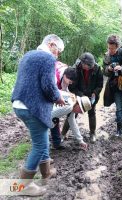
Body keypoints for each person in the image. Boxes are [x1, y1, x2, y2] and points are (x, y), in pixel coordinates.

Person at [11, 34, 66, 196]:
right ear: (51, 44)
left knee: (41, 139)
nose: (58, 54)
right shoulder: (47, 59)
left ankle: (46, 172)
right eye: (58, 50)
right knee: (40, 145)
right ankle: (23, 186)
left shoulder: (28, 55)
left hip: (19, 104)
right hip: (33, 108)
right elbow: (48, 86)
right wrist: (59, 97)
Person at [62, 52, 103, 143]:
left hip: (92, 95)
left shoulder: (97, 68)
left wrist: (95, 93)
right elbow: (72, 87)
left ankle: (92, 133)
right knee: (72, 113)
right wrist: (81, 95)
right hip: (78, 95)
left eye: (92, 65)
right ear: (83, 64)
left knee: (92, 112)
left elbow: (100, 84)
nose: (91, 67)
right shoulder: (75, 69)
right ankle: (63, 134)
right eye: (89, 66)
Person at [50, 66, 90, 150]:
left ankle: (56, 143)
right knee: (53, 121)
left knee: (55, 120)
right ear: (78, 105)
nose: (79, 112)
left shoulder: (72, 102)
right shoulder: (69, 106)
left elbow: (72, 122)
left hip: (50, 105)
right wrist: (51, 124)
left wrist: (80, 141)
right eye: (80, 111)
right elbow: (48, 116)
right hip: (43, 107)